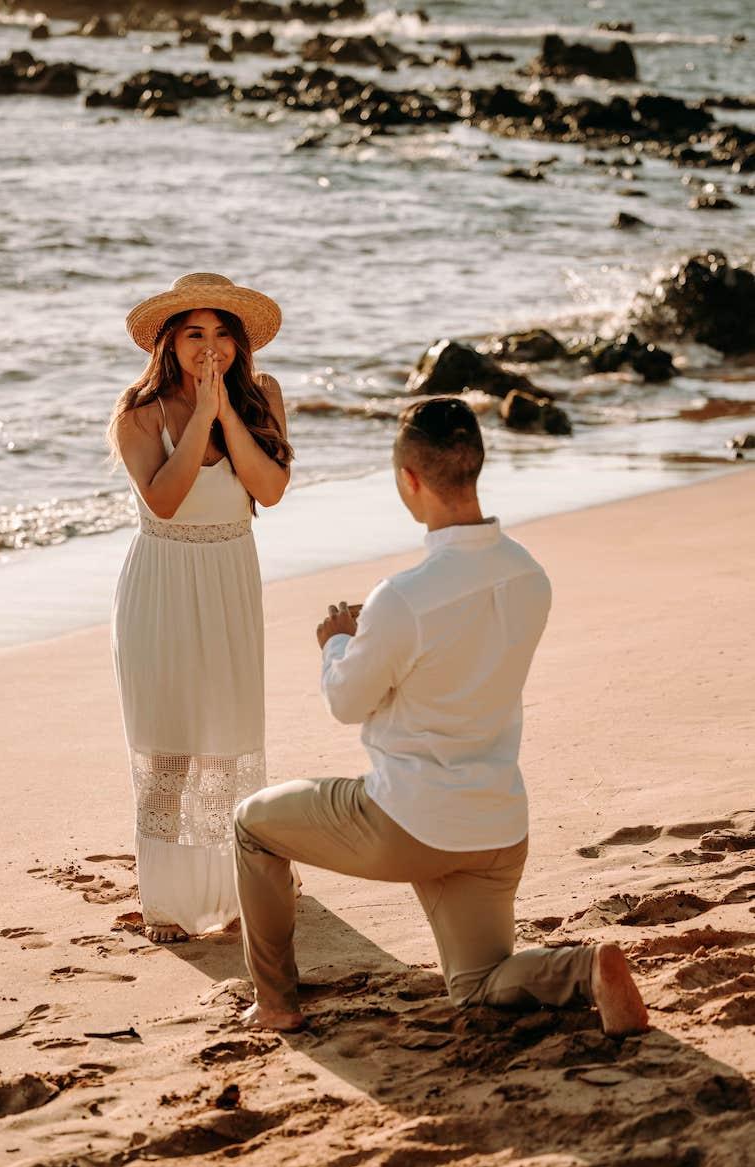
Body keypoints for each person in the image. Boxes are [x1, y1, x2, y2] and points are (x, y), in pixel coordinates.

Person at [234, 396, 649, 1036]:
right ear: (476, 466)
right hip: (496, 826)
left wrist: (338, 643)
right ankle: (585, 970)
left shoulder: (403, 597)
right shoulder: (528, 576)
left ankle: (276, 1004)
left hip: (409, 823)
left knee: (252, 824)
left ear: (409, 479)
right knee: (478, 985)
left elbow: (346, 702)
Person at [109, 273, 293, 943]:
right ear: (169, 343)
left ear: (241, 345)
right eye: (194, 334)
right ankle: (166, 899)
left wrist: (226, 414)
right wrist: (199, 420)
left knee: (229, 735)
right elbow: (165, 498)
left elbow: (268, 490)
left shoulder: (263, 396)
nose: (209, 346)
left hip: (229, 575)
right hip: (162, 583)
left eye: (222, 334)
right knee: (172, 747)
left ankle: (234, 882)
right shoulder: (139, 412)